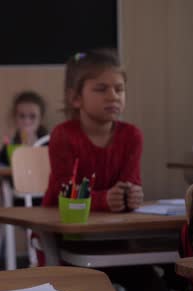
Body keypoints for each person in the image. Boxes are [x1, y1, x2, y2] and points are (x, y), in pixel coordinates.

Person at [42, 49, 144, 212]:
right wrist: (103, 200)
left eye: (119, 89)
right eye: (101, 89)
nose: (114, 96)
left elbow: (129, 183)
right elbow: (63, 191)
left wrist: (132, 195)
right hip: (62, 229)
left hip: (113, 227)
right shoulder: (63, 135)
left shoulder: (132, 136)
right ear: (76, 98)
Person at [0, 90, 49, 166]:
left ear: (41, 119)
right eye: (22, 116)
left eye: (32, 116)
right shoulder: (10, 146)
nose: (26, 121)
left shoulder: (48, 145)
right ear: (15, 118)